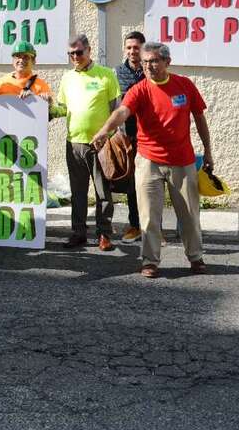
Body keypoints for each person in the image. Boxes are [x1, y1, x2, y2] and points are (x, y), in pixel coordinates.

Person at [91, 42, 213, 278]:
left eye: (154, 61)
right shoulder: (140, 89)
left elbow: (199, 118)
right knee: (148, 216)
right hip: (149, 161)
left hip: (182, 161)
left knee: (189, 214)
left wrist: (208, 151)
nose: (149, 66)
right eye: (145, 62)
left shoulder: (184, 85)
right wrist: (105, 131)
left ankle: (196, 257)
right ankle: (150, 261)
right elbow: (122, 112)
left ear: (167, 62)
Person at [51, 34, 120, 251]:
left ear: (89, 51)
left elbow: (116, 111)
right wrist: (47, 109)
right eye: (70, 53)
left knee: (103, 193)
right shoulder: (67, 78)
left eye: (79, 52)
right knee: (78, 192)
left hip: (99, 144)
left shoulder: (106, 75)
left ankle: (104, 234)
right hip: (73, 143)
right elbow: (62, 108)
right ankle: (78, 233)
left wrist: (105, 135)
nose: (75, 57)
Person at [114, 31, 146, 244]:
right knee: (132, 184)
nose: (133, 51)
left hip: (150, 137)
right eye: (129, 47)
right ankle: (135, 225)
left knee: (152, 185)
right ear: (124, 49)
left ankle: (155, 228)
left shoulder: (152, 69)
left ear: (143, 48)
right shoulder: (115, 73)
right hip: (127, 137)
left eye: (136, 47)